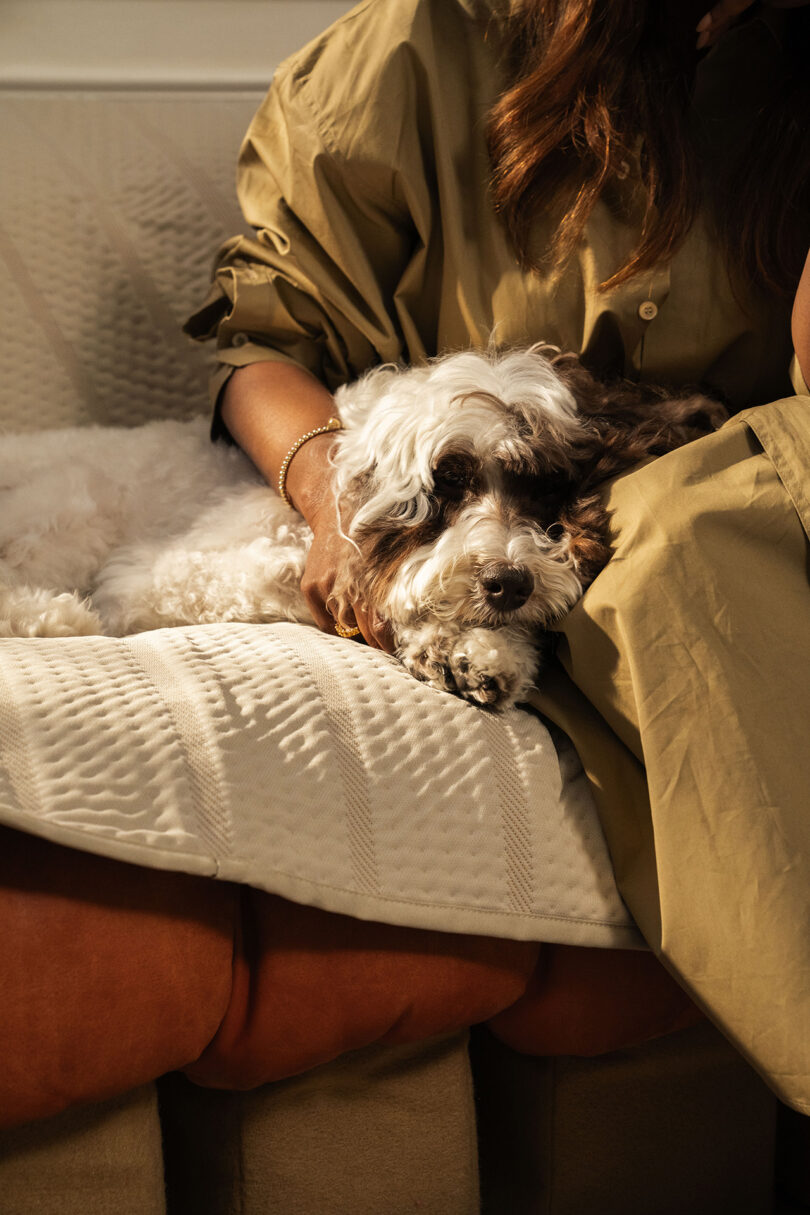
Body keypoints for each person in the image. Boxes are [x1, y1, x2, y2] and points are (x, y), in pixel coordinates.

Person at [186, 0, 810, 1111]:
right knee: (671, 546)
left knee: (688, 531)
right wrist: (345, 507)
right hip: (599, 548)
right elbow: (262, 346)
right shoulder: (420, 49)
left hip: (760, 499)